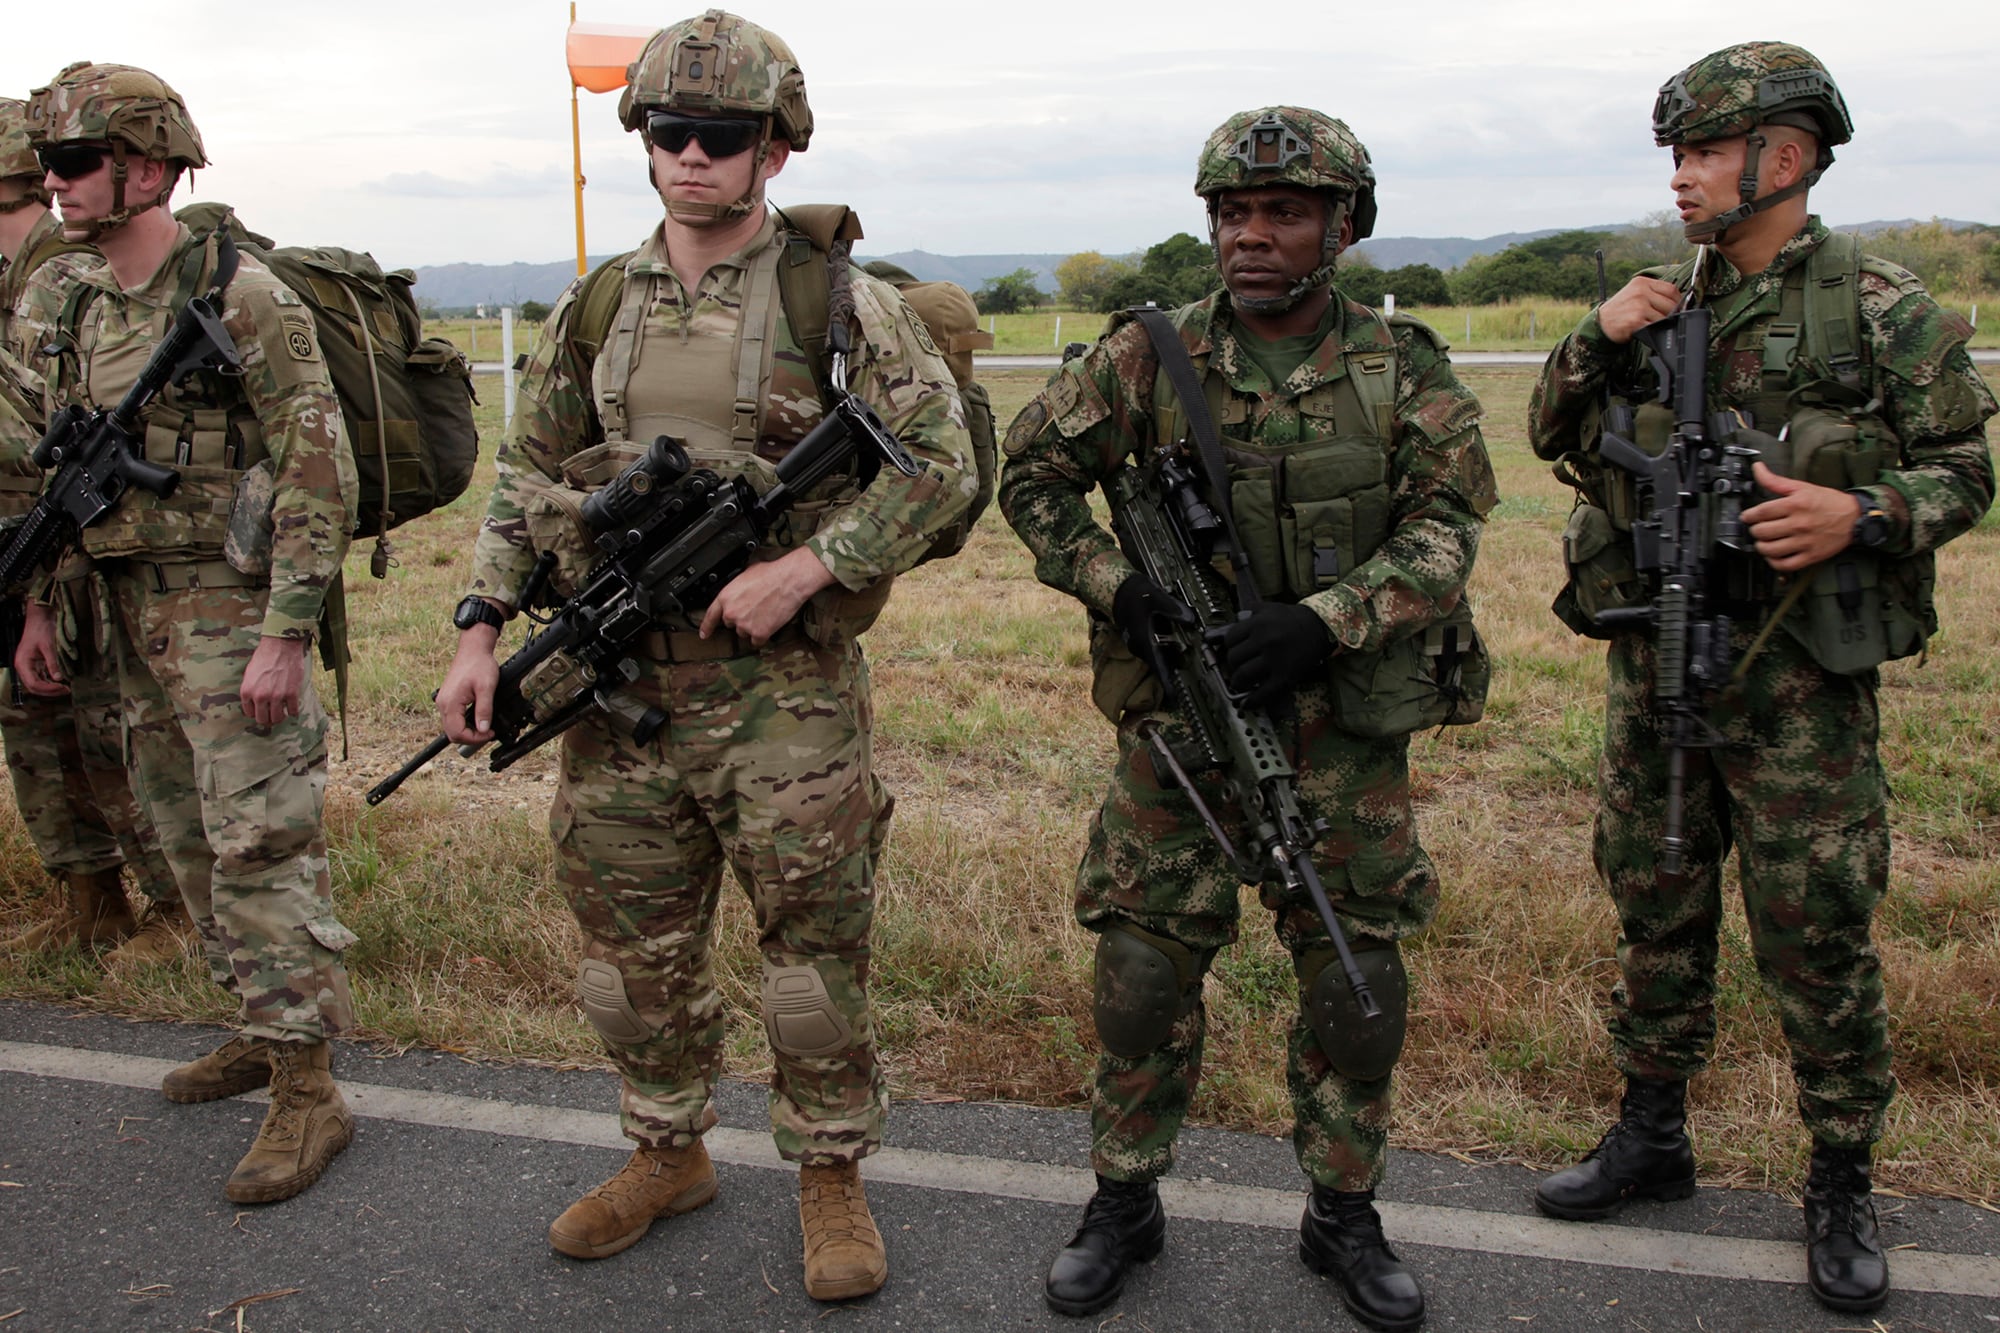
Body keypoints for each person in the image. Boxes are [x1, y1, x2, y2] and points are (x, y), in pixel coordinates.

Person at [433, 9, 971, 1301]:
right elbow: (525, 476)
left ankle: (830, 1174)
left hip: (782, 700)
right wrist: (480, 629)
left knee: (809, 960)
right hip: (621, 696)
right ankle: (667, 1149)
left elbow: (943, 469)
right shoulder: (600, 303)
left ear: (774, 149)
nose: (692, 156)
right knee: (629, 957)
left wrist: (810, 567)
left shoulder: (839, 300)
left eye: (721, 136)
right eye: (669, 131)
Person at [1000, 106, 1495, 1332]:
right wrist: (1123, 592)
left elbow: (1448, 529)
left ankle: (1341, 1213)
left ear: (1342, 227)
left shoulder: (1400, 367)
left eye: (1283, 214)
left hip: (1340, 736)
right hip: (1180, 725)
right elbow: (1030, 476)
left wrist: (1325, 619)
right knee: (1138, 970)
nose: (1251, 237)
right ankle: (1123, 1198)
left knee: (1350, 978)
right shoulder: (1141, 360)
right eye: (1232, 214)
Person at [1527, 42, 1994, 1314]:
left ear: (1781, 157)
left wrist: (1862, 512)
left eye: (1700, 151)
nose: (1679, 178)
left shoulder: (1879, 303)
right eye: (1671, 154)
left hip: (1796, 678)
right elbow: (1550, 435)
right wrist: (1594, 333)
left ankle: (1838, 1177)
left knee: (1813, 926)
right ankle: (1650, 1131)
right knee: (1654, 897)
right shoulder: (1654, 301)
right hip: (1659, 653)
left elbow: (1963, 466)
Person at [13, 61, 361, 1202]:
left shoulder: (244, 293)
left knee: (258, 833)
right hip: (115, 607)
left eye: (73, 162)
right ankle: (258, 1027)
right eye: (48, 164)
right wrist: (33, 606)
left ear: (148, 167)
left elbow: (317, 466)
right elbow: (40, 465)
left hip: (224, 601)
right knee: (178, 832)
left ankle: (309, 1089)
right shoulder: (62, 299)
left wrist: (286, 631)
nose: (53, 184)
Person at [0, 93, 186, 966]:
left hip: (109, 540)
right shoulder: (46, 272)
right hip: (42, 539)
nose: (54, 182)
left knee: (120, 727)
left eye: (68, 167)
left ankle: (179, 910)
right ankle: (95, 897)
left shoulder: (67, 277)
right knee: (41, 717)